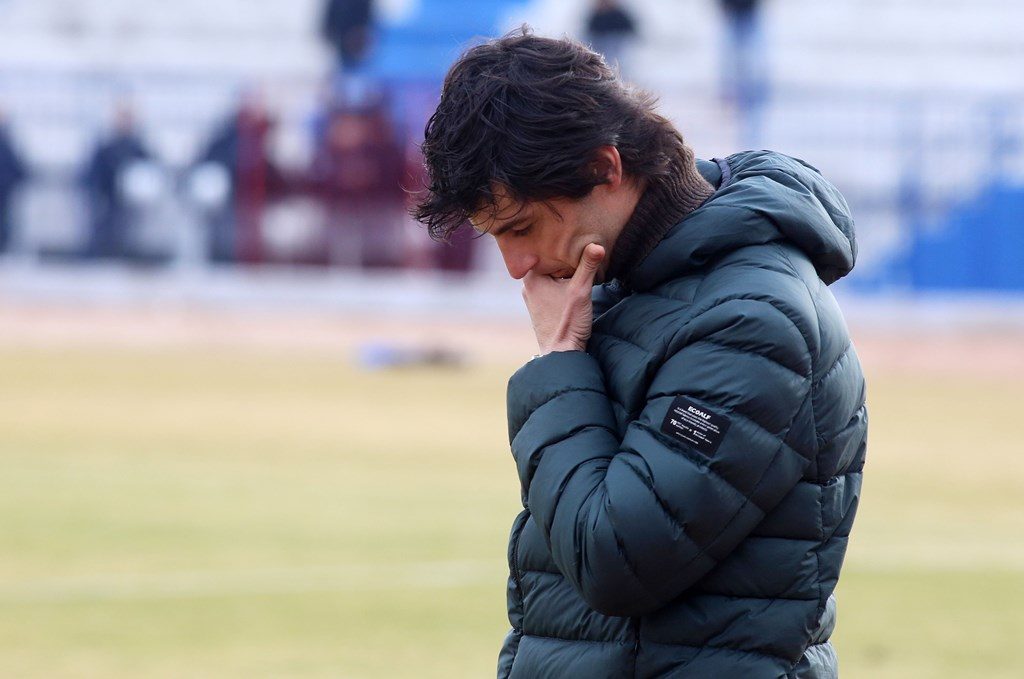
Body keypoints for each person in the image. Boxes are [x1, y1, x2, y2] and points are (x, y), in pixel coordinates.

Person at [413, 29, 865, 678]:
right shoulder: (630, 280)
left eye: (522, 228)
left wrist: (558, 365)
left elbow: (615, 556)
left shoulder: (751, 321)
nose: (517, 266)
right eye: (496, 238)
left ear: (606, 167)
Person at [81, 104, 154, 259]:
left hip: (129, 200)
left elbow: (150, 169)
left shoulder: (138, 148)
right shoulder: (105, 147)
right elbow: (93, 175)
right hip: (107, 197)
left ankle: (125, 252)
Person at [584, 0, 638, 74]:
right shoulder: (595, 18)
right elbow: (590, 38)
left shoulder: (620, 16)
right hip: (603, 52)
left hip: (619, 52)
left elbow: (631, 36)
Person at [0, 109, 27, 254]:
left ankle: (3, 246)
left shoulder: (6, 141)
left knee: (4, 218)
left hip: (5, 189)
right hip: (5, 188)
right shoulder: (6, 141)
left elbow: (15, 166)